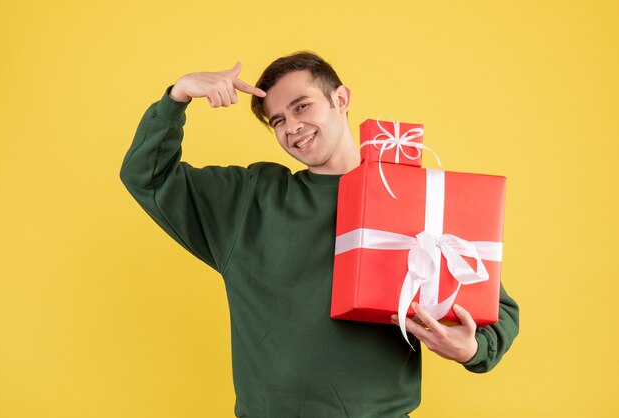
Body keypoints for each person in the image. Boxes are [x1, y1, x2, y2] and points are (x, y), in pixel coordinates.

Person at [120, 51, 519, 417]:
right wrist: (178, 96)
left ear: (341, 99)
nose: (292, 126)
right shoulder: (248, 200)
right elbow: (147, 176)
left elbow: (497, 308)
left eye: (302, 106)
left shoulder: (409, 195)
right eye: (277, 120)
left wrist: (472, 349)